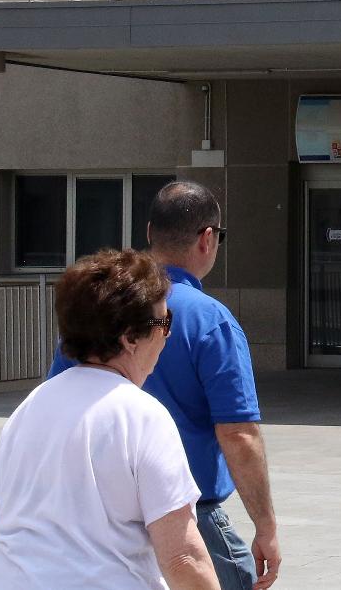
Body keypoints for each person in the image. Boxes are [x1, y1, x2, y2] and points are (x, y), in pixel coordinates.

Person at [49, 181, 280, 590]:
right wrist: (266, 527)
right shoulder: (212, 322)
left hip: (98, 522)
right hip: (191, 519)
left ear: (151, 232)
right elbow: (238, 433)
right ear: (207, 239)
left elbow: (58, 409)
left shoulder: (99, 312)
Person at [0, 249, 219, 590]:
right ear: (130, 337)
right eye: (164, 323)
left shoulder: (30, 407)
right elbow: (183, 558)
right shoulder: (143, 416)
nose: (167, 335)